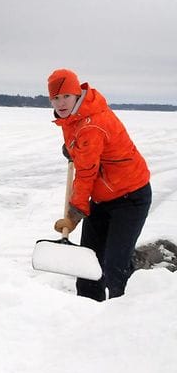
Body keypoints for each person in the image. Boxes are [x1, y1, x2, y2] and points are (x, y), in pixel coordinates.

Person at [47, 68, 151, 301]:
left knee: (114, 265)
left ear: (76, 94)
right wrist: (74, 149)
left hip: (130, 197)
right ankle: (88, 315)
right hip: (103, 198)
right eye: (55, 98)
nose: (61, 103)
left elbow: (85, 174)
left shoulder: (91, 124)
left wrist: (74, 216)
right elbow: (85, 149)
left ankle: (128, 313)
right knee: (87, 266)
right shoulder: (74, 116)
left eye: (65, 96)